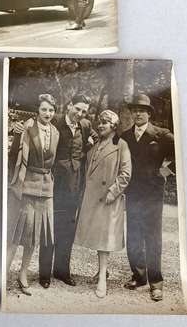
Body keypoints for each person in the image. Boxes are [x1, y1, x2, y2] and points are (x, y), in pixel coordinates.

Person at [13, 93, 97, 288]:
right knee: (48, 229)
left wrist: (92, 139)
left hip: (75, 186)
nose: (80, 113)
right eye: (77, 109)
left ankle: (62, 272)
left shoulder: (85, 126)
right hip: (54, 185)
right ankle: (44, 275)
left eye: (84, 111)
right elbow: (33, 126)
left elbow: (94, 135)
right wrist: (18, 127)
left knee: (67, 230)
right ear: (69, 106)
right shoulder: (54, 120)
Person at [121, 94, 175, 302]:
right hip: (132, 193)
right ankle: (139, 276)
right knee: (134, 235)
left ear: (149, 114)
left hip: (153, 194)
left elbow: (183, 150)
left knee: (152, 238)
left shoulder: (161, 134)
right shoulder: (125, 135)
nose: (138, 113)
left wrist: (167, 171)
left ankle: (156, 283)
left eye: (142, 110)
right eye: (134, 110)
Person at [74, 110, 132, 298]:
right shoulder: (96, 144)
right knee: (98, 236)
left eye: (105, 123)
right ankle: (101, 272)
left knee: (105, 238)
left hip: (108, 198)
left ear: (114, 126)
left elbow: (126, 173)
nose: (100, 125)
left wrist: (113, 192)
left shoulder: (121, 145)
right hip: (92, 197)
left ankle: (102, 280)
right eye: (99, 122)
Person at [6, 94, 60, 294]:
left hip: (46, 189)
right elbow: (13, 157)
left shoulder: (55, 132)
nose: (48, 113)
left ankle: (23, 274)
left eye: (51, 110)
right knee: (16, 234)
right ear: (38, 110)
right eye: (44, 109)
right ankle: (3, 275)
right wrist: (13, 183)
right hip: (25, 185)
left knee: (35, 236)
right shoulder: (26, 128)